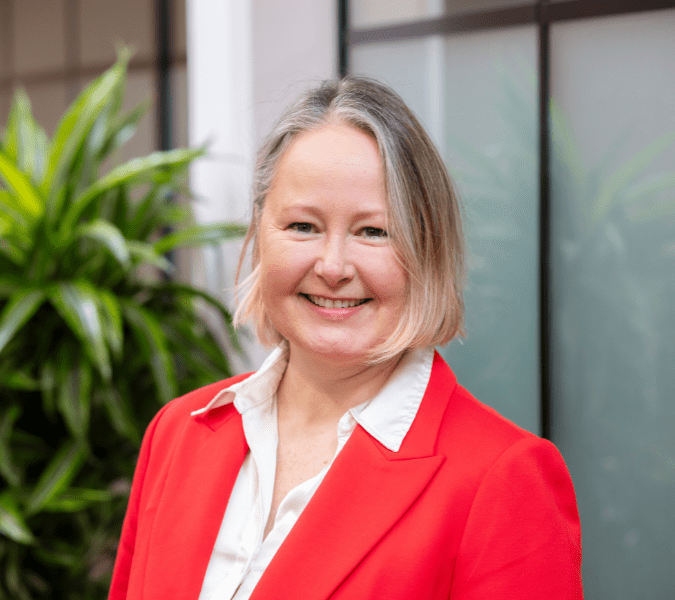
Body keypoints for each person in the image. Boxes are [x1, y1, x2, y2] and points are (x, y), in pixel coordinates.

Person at [109, 77, 583, 600]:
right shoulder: (177, 434)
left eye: (373, 232)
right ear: (259, 233)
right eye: (303, 226)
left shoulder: (502, 479)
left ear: (428, 249)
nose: (332, 267)